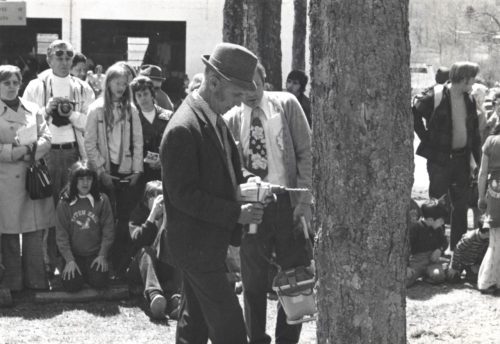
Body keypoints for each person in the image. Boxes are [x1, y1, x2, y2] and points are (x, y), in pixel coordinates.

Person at [160, 42, 264, 344]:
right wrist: (236, 213)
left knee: (195, 325)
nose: (238, 103)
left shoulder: (212, 117)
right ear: (214, 82)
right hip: (197, 247)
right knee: (231, 330)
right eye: (235, 95)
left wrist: (249, 180)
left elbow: (227, 168)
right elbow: (183, 196)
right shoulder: (184, 127)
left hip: (207, 243)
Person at [225, 63, 312, 344]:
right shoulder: (232, 119)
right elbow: (232, 167)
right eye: (244, 87)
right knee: (252, 281)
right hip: (255, 208)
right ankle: (257, 338)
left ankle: (287, 338)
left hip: (289, 202)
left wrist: (303, 199)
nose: (251, 92)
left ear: (265, 81)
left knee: (294, 278)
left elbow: (306, 153)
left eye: (256, 84)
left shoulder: (286, 104)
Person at [22, 40, 95, 274]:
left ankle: (69, 263)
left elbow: (90, 124)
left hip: (74, 153)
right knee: (47, 212)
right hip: (47, 155)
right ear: (49, 58)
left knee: (72, 210)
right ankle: (47, 263)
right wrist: (47, 110)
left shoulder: (83, 88)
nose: (64, 61)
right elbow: (26, 124)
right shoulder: (37, 86)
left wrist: (71, 113)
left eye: (68, 56)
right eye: (59, 56)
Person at [413, 61, 481, 251]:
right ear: (463, 78)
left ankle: (457, 251)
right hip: (440, 161)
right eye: (472, 78)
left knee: (460, 208)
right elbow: (414, 112)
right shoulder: (435, 95)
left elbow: (475, 134)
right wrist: (426, 138)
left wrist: (479, 161)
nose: (474, 82)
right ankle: (436, 249)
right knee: (437, 206)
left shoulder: (470, 99)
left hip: (461, 161)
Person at [85, 62, 143, 276]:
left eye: (124, 83)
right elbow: (89, 143)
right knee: (104, 219)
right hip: (105, 171)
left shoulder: (131, 109)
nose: (121, 87)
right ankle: (101, 263)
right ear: (107, 83)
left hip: (126, 171)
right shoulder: (96, 109)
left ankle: (121, 266)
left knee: (123, 218)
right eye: (117, 83)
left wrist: (137, 170)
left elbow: (138, 142)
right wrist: (100, 170)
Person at [0, 65, 55, 291]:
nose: (12, 87)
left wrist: (31, 151)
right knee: (9, 233)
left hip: (31, 177)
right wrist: (14, 152)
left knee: (34, 230)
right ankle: (13, 283)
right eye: (6, 83)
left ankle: (36, 281)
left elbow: (47, 137)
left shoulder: (32, 108)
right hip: (5, 181)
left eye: (15, 82)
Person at [55, 161, 114, 292]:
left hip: (95, 254)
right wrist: (69, 260)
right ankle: (81, 274)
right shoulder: (64, 203)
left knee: (100, 283)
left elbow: (108, 230)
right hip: (74, 256)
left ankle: (89, 275)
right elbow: (61, 235)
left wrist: (102, 255)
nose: (85, 183)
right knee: (72, 286)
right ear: (74, 181)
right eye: (81, 179)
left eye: (89, 179)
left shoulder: (102, 200)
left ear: (94, 181)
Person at [127, 180, 181, 320]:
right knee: (146, 250)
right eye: (156, 197)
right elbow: (137, 240)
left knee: (177, 249)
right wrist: (152, 216)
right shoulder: (137, 214)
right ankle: (155, 296)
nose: (160, 203)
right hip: (140, 268)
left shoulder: (170, 216)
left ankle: (176, 299)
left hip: (162, 268)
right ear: (147, 199)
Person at [130, 76, 172, 186]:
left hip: (166, 172)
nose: (143, 98)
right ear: (135, 99)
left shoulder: (168, 116)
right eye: (139, 95)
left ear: (152, 94)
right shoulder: (132, 120)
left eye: (145, 94)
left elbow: (175, 145)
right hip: (143, 174)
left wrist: (162, 160)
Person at [477, 122, 500, 293]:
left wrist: (480, 196)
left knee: (495, 239)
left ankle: (488, 279)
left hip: (494, 191)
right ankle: (491, 280)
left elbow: (482, 173)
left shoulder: (491, 142)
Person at [406, 198, 449, 287]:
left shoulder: (438, 229)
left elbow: (444, 242)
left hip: (432, 260)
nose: (442, 222)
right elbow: (406, 248)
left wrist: (439, 250)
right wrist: (407, 266)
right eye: (440, 220)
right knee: (406, 282)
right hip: (417, 261)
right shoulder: (415, 228)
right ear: (430, 220)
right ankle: (419, 273)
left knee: (438, 276)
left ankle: (427, 275)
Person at [447, 218, 489, 284]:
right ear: (487, 232)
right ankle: (447, 268)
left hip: (472, 263)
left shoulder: (487, 240)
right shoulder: (469, 237)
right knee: (452, 279)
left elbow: (484, 253)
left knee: (477, 279)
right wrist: (454, 267)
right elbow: (457, 250)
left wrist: (477, 264)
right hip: (460, 261)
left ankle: (469, 274)